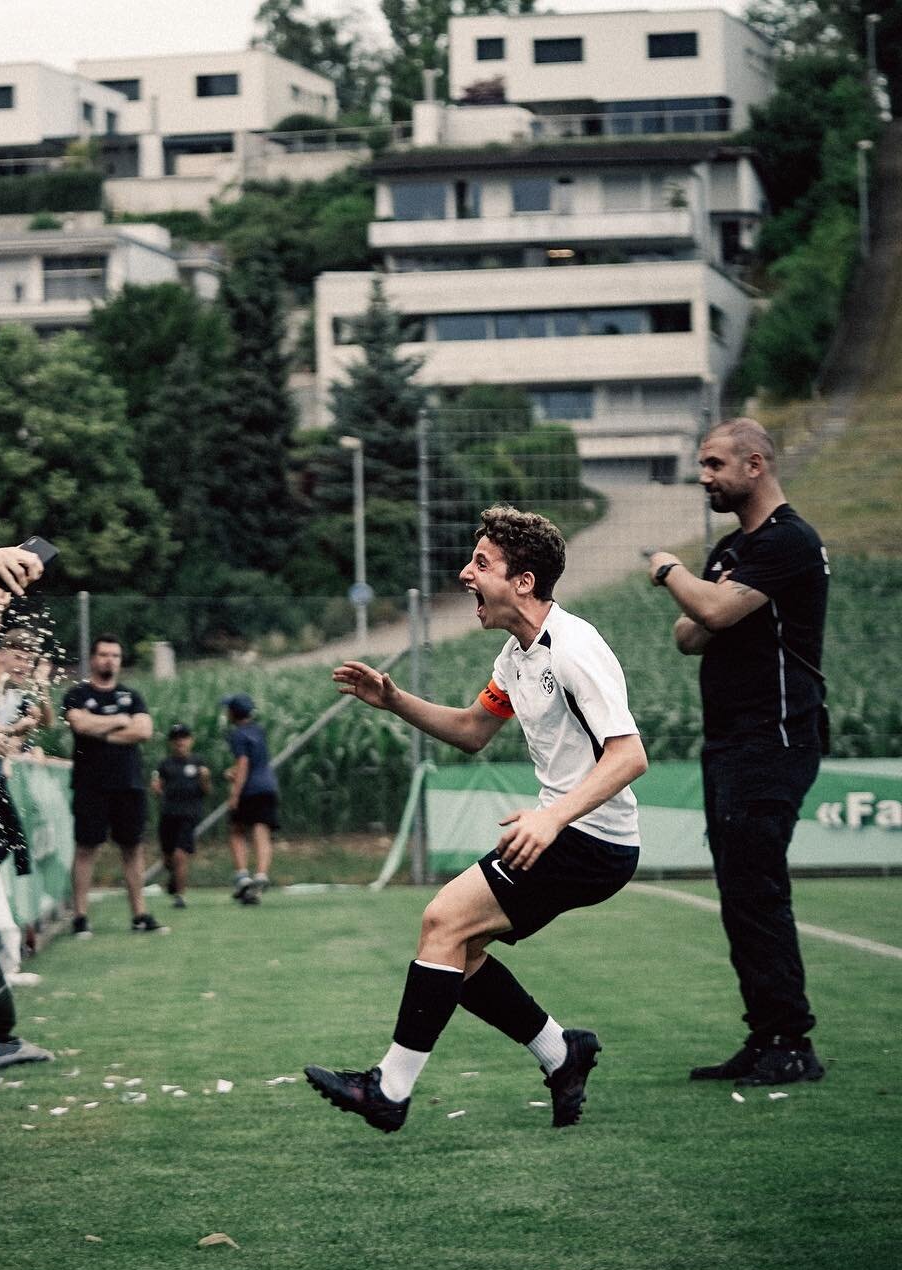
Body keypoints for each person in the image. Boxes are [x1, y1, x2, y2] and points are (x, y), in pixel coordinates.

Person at [307, 505, 647, 1134]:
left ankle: (389, 1090)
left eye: (481, 563)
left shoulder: (574, 648)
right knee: (454, 953)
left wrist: (552, 820)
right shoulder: (517, 657)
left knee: (442, 921)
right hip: (571, 833)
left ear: (523, 581)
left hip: (591, 840)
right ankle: (560, 1053)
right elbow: (471, 731)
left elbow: (629, 755)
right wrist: (394, 700)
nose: (466, 575)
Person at [647, 419, 829, 1087]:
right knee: (739, 890)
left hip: (774, 734)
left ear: (755, 465)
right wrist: (702, 594)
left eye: (715, 464)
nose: (704, 476)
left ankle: (791, 1041)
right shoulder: (732, 550)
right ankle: (765, 1034)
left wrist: (671, 570)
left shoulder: (790, 542)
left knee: (757, 885)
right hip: (730, 740)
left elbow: (714, 615)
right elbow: (687, 634)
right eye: (702, 464)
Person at [62, 634, 165, 937]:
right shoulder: (77, 694)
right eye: (104, 654)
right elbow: (79, 724)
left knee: (133, 848)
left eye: (116, 656)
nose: (110, 660)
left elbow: (144, 730)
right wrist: (119, 721)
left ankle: (139, 913)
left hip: (128, 783)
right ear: (93, 659)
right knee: (86, 848)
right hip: (90, 784)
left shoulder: (132, 697)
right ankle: (80, 916)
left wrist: (101, 731)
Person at [222, 692, 279, 904]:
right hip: (269, 786)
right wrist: (233, 771)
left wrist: (235, 794)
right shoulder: (259, 731)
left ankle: (243, 876)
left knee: (236, 830)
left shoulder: (237, 734)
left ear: (233, 713)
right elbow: (255, 760)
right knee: (261, 832)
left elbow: (244, 763)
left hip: (250, 789)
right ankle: (261, 875)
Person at [152, 723, 210, 909]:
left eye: (184, 738)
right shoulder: (166, 764)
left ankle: (180, 895)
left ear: (190, 740)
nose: (180, 742)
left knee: (180, 854)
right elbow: (158, 786)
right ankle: (174, 878)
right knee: (168, 857)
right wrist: (157, 789)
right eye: (176, 739)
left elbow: (207, 790)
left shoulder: (198, 762)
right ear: (171, 742)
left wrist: (204, 778)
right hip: (169, 814)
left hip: (189, 815)